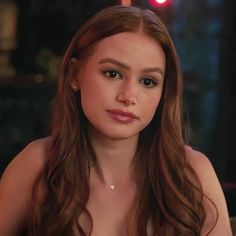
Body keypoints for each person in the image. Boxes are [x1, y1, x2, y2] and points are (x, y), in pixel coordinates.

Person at [0, 5, 232, 236]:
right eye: (113, 74)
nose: (128, 96)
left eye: (148, 81)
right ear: (74, 75)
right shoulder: (37, 164)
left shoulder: (192, 173)